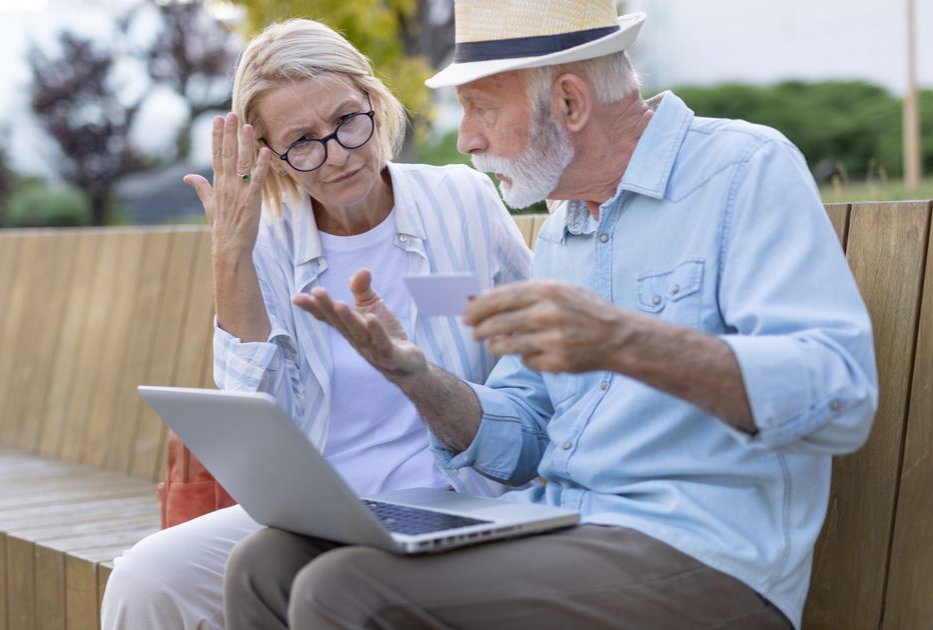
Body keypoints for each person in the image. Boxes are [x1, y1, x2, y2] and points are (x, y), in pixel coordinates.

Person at [222, 1, 879, 628]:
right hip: (557, 526)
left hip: (704, 555)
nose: (466, 137)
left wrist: (624, 342)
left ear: (568, 101)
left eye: (480, 108)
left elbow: (838, 393)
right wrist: (415, 376)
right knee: (267, 565)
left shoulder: (741, 172)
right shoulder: (565, 228)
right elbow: (525, 431)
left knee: (346, 592)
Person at [100, 18, 535, 630]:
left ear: (375, 103)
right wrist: (231, 252)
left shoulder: (461, 199)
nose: (336, 156)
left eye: (347, 121)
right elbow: (252, 417)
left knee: (334, 590)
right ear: (269, 156)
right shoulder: (268, 240)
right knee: (147, 579)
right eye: (302, 141)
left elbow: (536, 345)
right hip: (317, 511)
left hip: (456, 500)